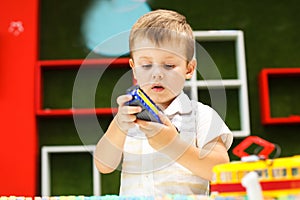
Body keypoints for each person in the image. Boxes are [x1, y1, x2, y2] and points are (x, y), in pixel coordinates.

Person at [94, 9, 233, 196]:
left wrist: (173, 145)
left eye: (168, 65)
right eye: (146, 65)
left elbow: (220, 171)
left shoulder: (202, 115)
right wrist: (118, 125)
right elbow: (103, 165)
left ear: (189, 69)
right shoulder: (128, 118)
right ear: (134, 69)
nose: (157, 73)